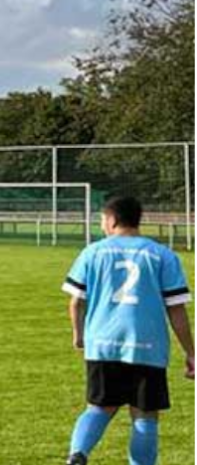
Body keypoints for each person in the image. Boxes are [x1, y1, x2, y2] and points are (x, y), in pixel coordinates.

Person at [60, 197, 194, 465]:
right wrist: (191, 352)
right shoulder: (162, 255)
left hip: (101, 343)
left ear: (111, 220)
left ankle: (77, 454)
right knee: (145, 414)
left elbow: (76, 301)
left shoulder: (92, 252)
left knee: (99, 407)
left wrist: (78, 335)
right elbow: (176, 309)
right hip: (147, 345)